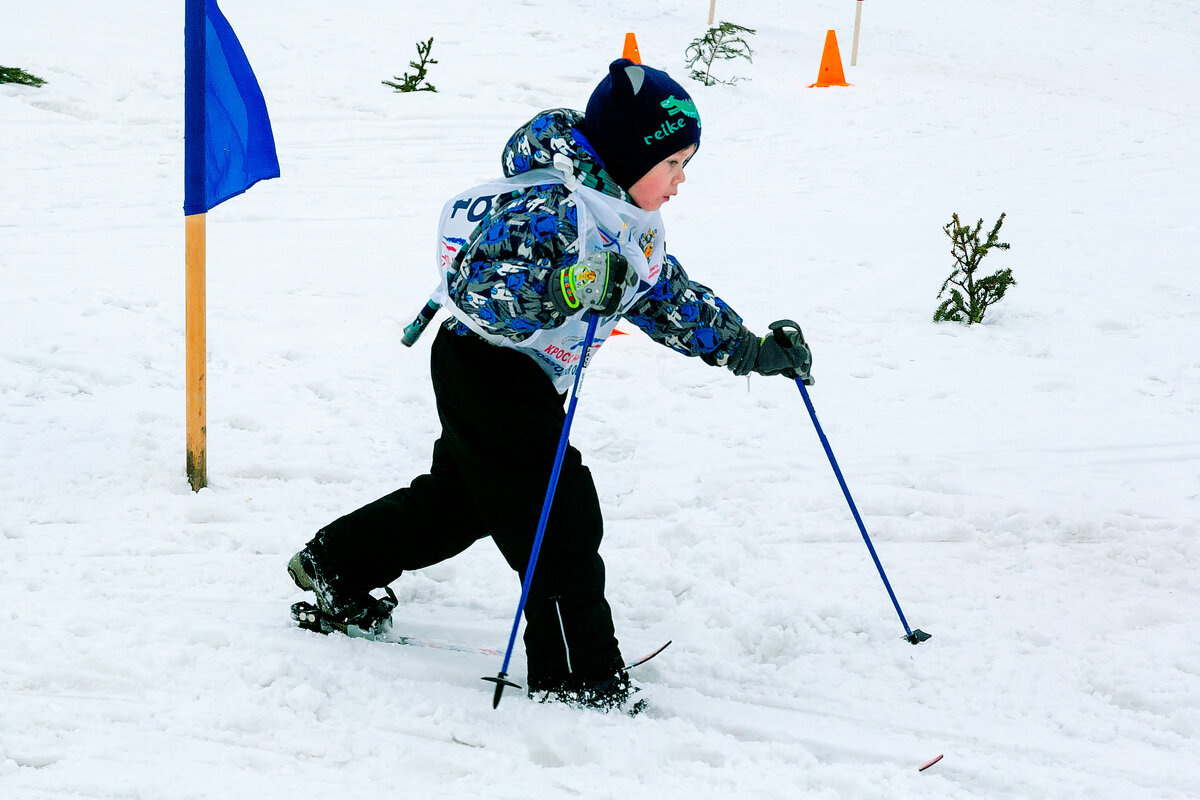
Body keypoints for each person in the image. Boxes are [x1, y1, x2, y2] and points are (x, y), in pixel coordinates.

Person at [287, 58, 814, 712]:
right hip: (485, 364)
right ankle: (576, 679)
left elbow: (669, 301)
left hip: (523, 377)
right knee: (558, 515)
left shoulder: (624, 217)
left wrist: (752, 351)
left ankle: (335, 564)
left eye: (686, 165)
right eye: (673, 163)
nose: (681, 182)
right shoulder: (550, 206)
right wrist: (570, 285)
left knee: (459, 505)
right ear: (630, 152)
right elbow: (479, 288)